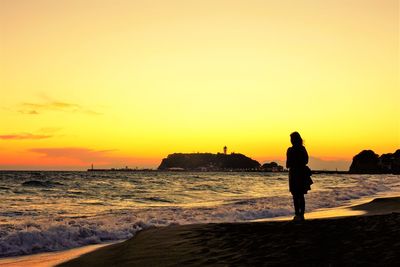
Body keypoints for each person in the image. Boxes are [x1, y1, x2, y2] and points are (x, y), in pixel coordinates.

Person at [286, 131, 311, 221]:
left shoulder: (290, 150)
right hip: (301, 173)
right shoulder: (302, 149)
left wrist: (293, 163)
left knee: (295, 195)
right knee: (300, 195)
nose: (291, 140)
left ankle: (297, 214)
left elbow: (288, 164)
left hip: (294, 173)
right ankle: (301, 215)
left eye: (291, 139)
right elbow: (306, 161)